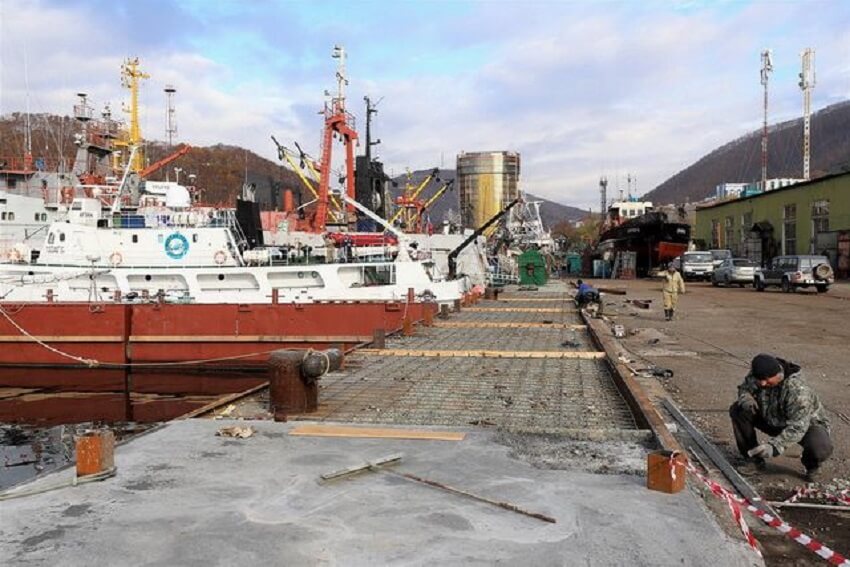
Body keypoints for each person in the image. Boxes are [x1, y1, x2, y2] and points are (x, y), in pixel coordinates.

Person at [730, 354, 832, 480]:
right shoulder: (760, 373)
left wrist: (774, 447)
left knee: (820, 447)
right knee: (738, 410)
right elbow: (745, 387)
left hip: (803, 426)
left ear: (778, 374)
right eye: (760, 379)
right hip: (771, 417)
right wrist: (746, 398)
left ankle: (812, 466)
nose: (762, 383)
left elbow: (798, 427)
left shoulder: (798, 391)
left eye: (767, 380)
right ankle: (753, 459)